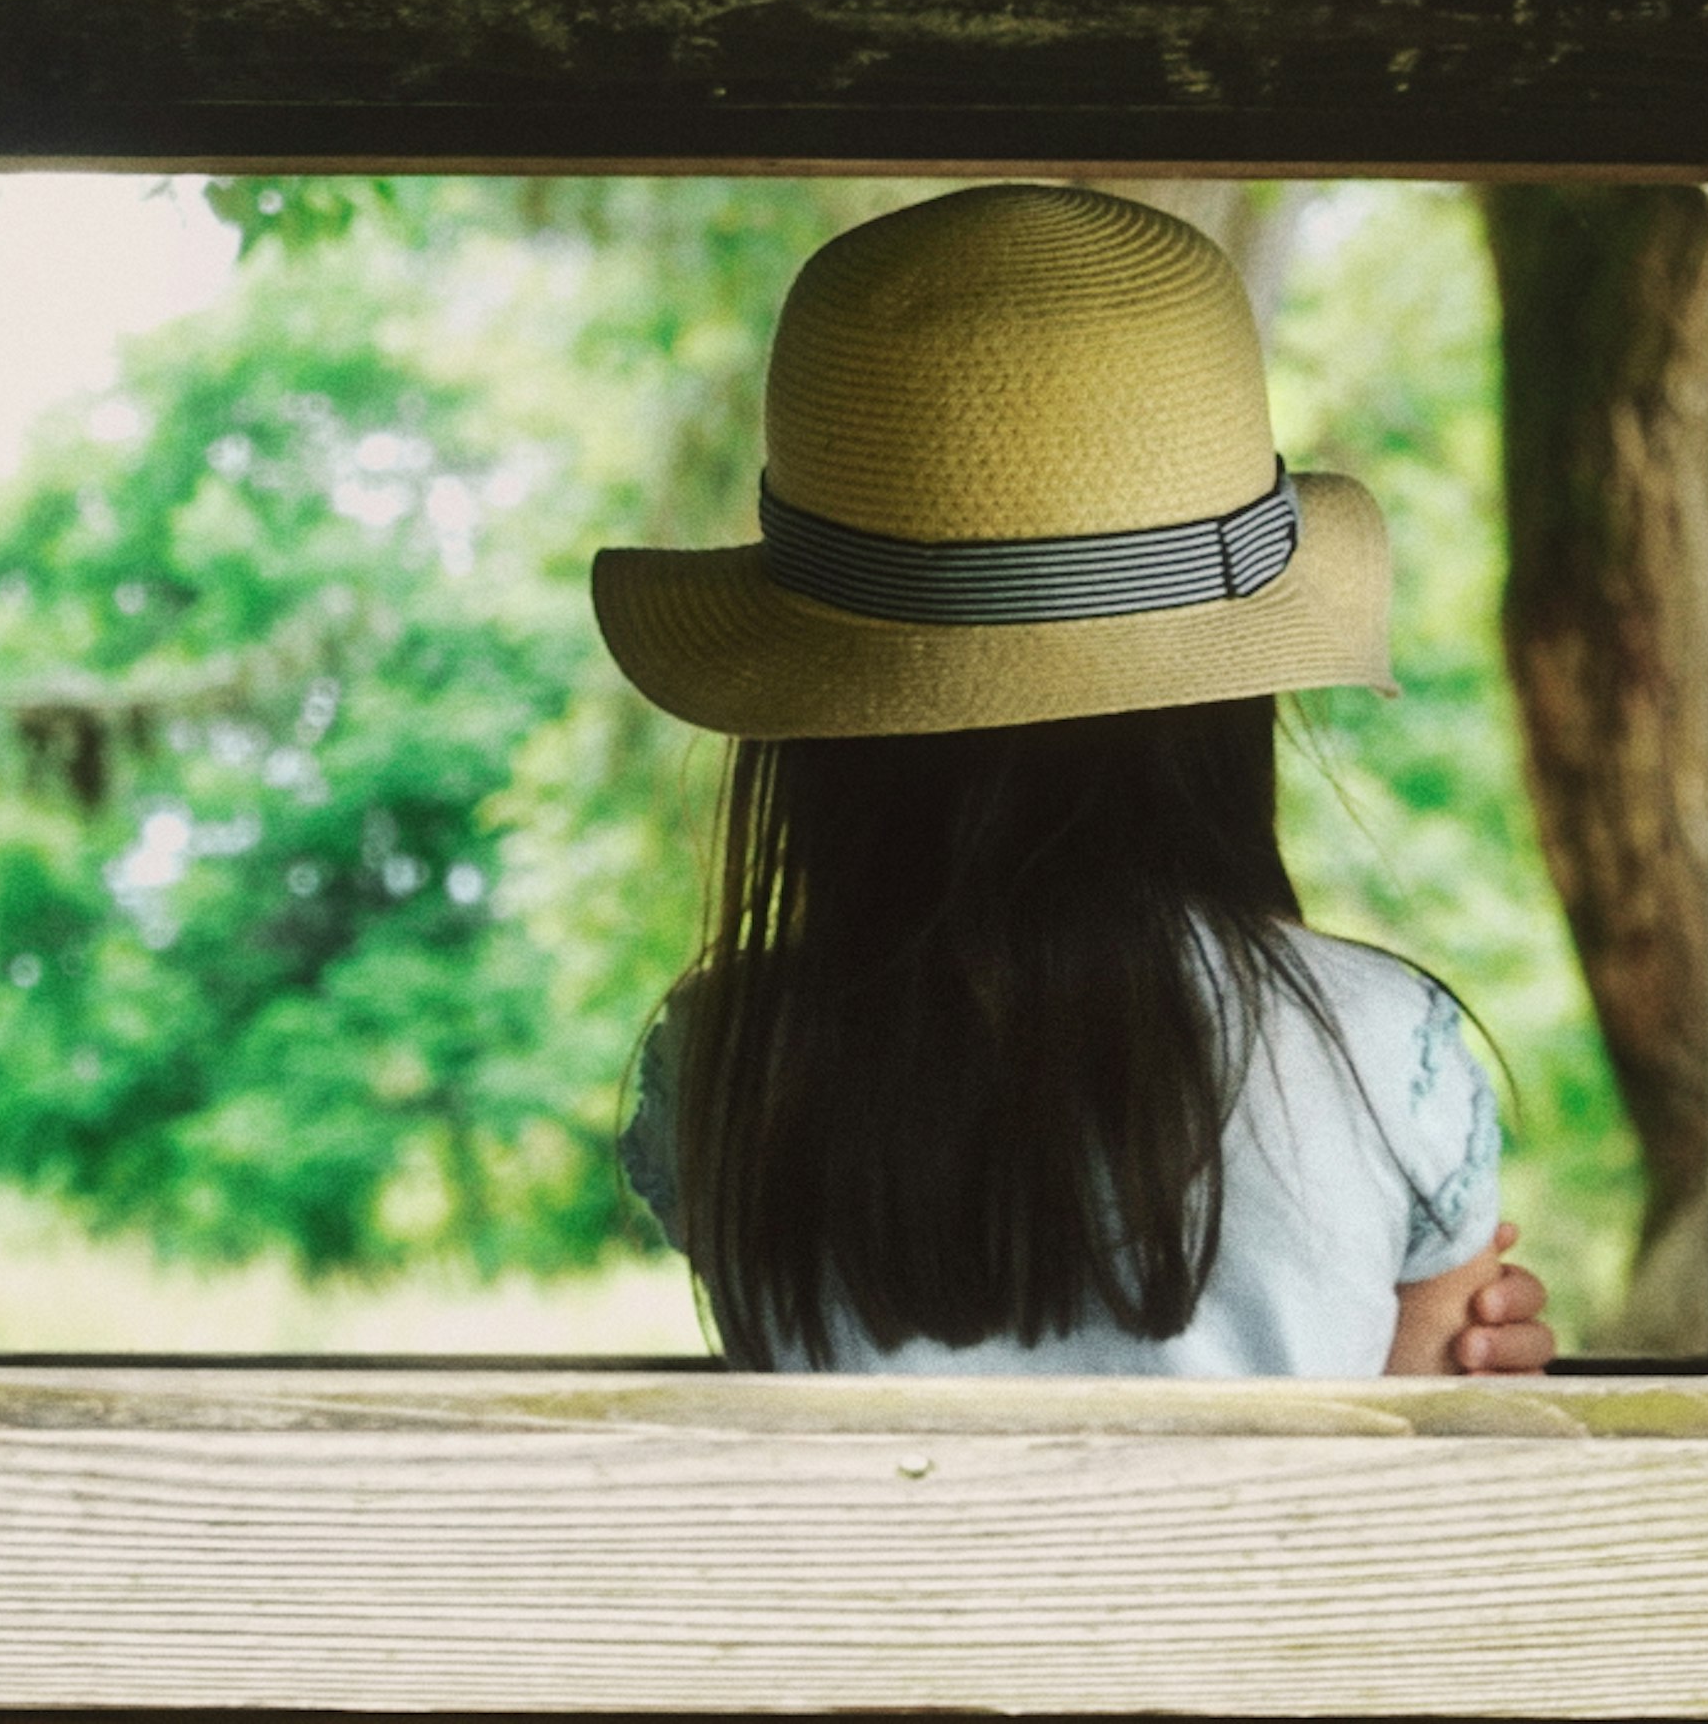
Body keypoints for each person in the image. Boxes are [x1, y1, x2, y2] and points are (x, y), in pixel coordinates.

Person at [592, 184, 1553, 1376]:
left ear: (824, 730)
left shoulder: (724, 1061)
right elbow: (1413, 1462)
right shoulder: (1386, 1046)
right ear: (1226, 705)